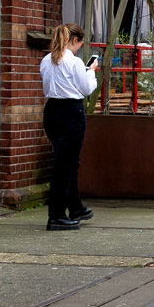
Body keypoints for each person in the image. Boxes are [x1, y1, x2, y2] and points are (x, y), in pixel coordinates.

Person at [38, 23, 97, 231]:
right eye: (80, 43)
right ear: (74, 40)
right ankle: (56, 215)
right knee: (65, 164)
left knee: (67, 161)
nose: (80, 47)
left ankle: (75, 207)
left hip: (52, 111)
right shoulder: (74, 61)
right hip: (71, 111)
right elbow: (86, 89)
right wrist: (91, 72)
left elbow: (47, 86)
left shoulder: (46, 60)